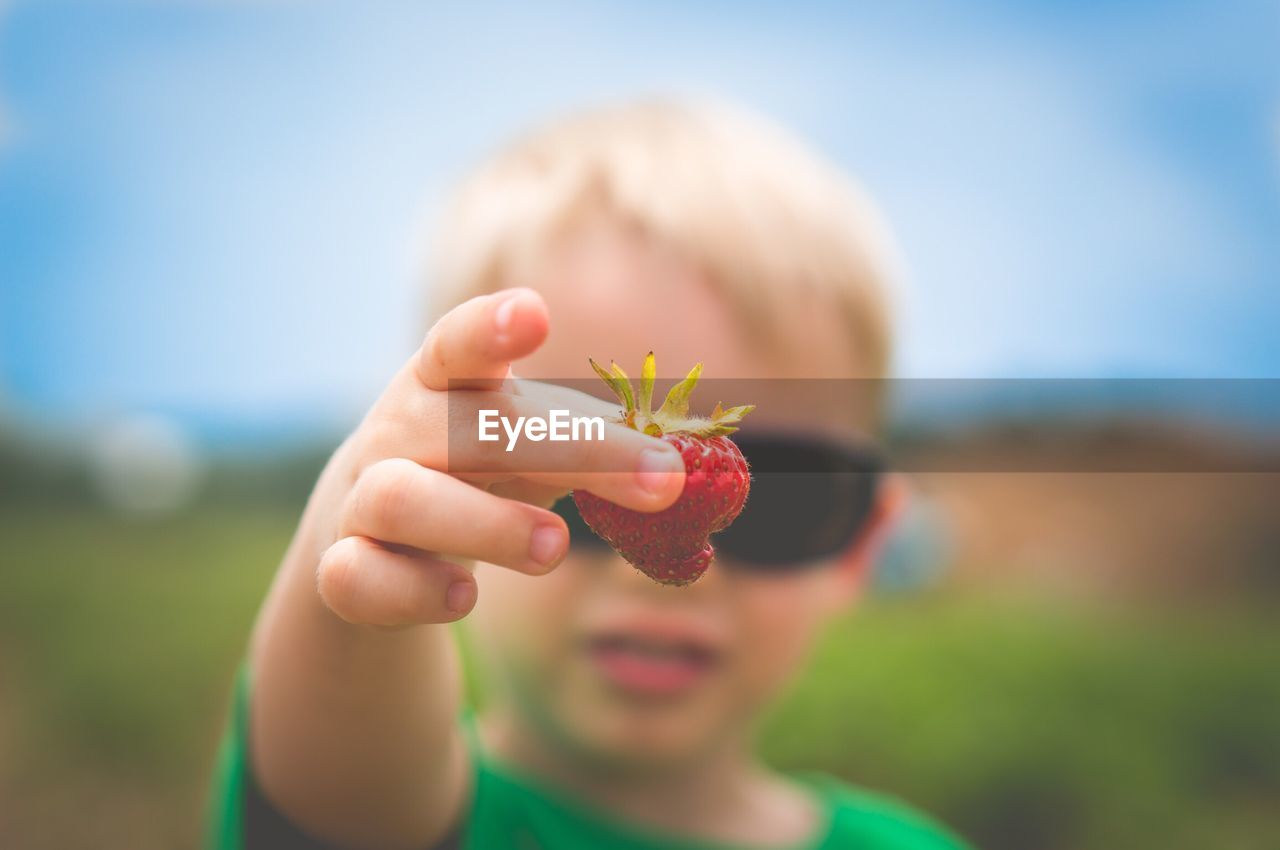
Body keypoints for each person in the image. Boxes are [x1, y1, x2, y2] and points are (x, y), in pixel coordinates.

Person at [208, 98, 971, 850]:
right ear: (449, 485)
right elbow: (337, 780)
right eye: (561, 464)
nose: (666, 578)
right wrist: (355, 549)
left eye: (772, 502)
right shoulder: (403, 811)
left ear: (861, 540)